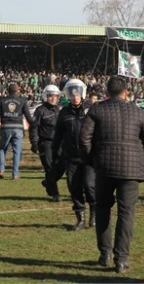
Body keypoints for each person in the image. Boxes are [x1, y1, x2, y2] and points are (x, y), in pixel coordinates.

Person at [79, 76, 144, 274]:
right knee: (126, 213)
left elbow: (84, 138)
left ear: (106, 92)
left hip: (104, 168)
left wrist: (91, 160)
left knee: (103, 209)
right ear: (126, 92)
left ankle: (105, 254)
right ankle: (121, 259)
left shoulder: (97, 110)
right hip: (130, 170)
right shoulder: (138, 112)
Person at [53, 78, 96, 230]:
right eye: (71, 92)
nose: (75, 95)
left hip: (89, 157)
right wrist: (55, 153)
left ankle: (94, 214)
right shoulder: (64, 112)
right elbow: (58, 134)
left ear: (82, 93)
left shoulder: (91, 109)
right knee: (74, 187)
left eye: (77, 92)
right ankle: (80, 219)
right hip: (71, 157)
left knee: (90, 186)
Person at [0, 83, 32, 180]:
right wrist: (34, 126)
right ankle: (15, 174)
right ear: (17, 91)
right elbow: (28, 117)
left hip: (5, 127)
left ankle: (1, 170)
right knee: (17, 151)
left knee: (2, 149)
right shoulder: (22, 101)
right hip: (18, 128)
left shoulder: (2, 100)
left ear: (7, 91)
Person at [30, 84, 64, 202]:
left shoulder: (61, 109)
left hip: (60, 144)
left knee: (61, 167)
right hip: (46, 143)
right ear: (45, 96)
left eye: (55, 96)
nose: (53, 98)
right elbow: (33, 127)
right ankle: (55, 194)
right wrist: (34, 142)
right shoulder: (40, 110)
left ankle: (48, 182)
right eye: (50, 96)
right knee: (50, 168)